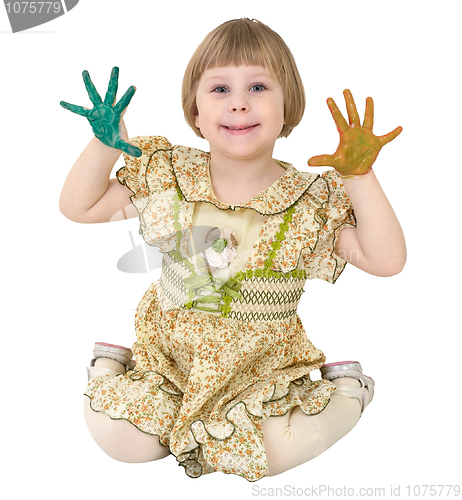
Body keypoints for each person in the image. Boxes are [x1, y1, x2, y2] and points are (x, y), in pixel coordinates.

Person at [59, 18, 406, 481]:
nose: (239, 102)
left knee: (267, 453)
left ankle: (347, 390)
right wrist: (104, 145)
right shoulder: (172, 177)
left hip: (260, 373)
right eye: (220, 89)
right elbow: (79, 207)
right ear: (196, 112)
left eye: (258, 86)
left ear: (289, 108)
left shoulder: (306, 202)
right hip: (170, 364)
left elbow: (386, 260)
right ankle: (109, 367)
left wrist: (360, 178)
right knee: (124, 444)